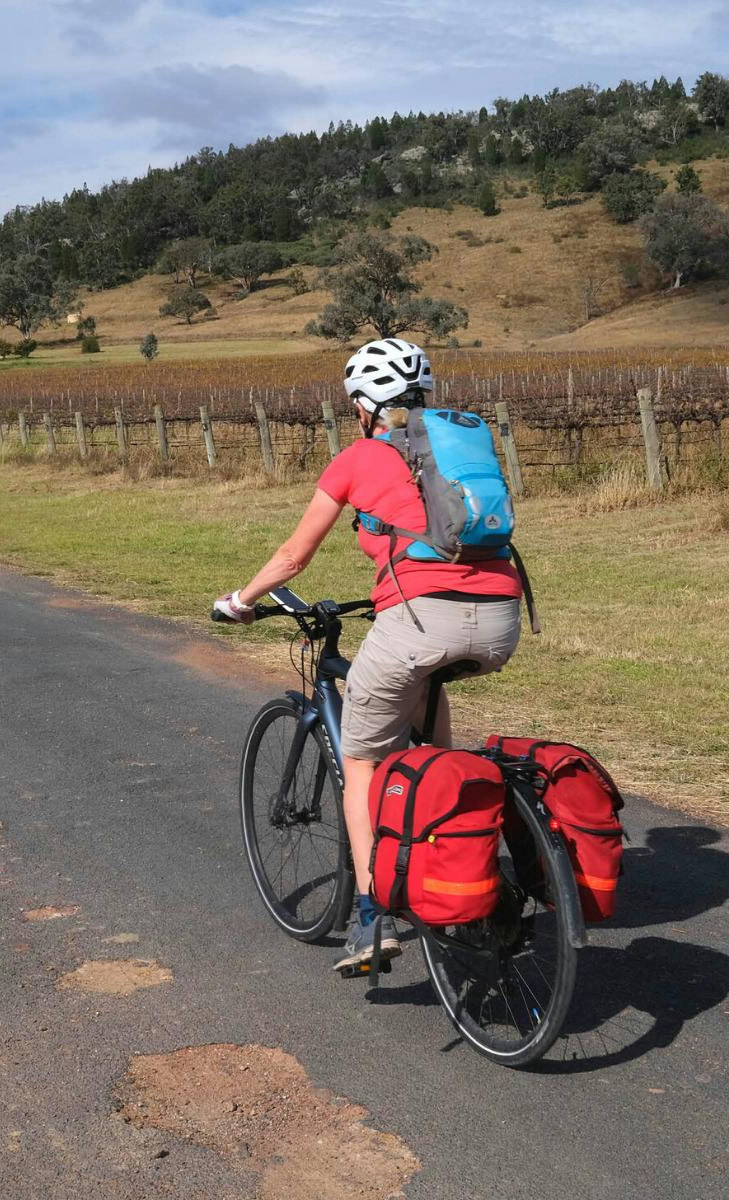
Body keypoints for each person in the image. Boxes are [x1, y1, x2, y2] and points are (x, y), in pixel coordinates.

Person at [213, 338, 525, 972]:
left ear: (362, 404)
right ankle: (469, 869)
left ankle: (369, 918)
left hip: (418, 621)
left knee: (361, 764)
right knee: (434, 753)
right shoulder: (461, 447)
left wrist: (242, 600)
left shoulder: (357, 457)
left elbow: (294, 557)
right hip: (500, 619)